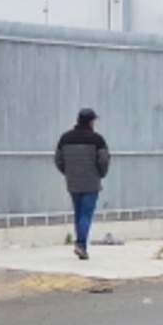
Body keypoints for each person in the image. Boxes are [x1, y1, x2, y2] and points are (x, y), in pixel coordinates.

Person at [54, 107, 109, 260]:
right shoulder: (97, 139)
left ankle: (80, 243)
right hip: (91, 182)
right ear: (91, 122)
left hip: (73, 182)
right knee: (86, 215)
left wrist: (68, 172)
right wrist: (101, 174)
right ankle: (81, 245)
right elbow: (103, 160)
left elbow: (58, 159)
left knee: (78, 213)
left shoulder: (65, 138)